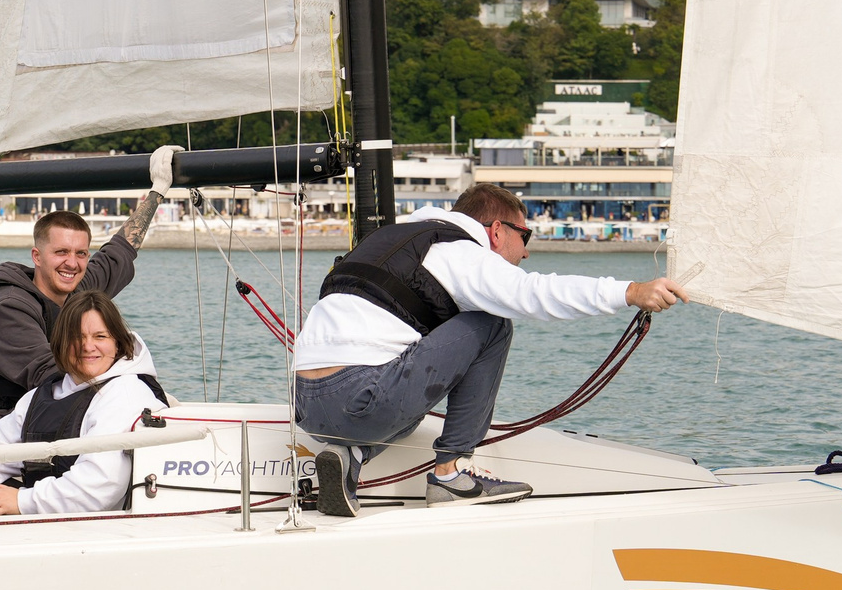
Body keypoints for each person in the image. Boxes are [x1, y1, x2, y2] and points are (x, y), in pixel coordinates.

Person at [292, 186, 686, 515]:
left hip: (307, 406)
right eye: (524, 237)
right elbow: (534, 293)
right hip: (365, 398)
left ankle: (351, 458)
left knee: (412, 356)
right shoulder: (460, 253)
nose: (526, 253)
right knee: (492, 321)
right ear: (497, 230)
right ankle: (450, 474)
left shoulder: (390, 239)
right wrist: (630, 292)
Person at [0, 160, 174, 446]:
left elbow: (119, 252)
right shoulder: (8, 307)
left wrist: (158, 191)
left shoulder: (76, 290)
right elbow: (52, 373)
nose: (72, 263)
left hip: (37, 427)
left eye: (81, 254)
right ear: (37, 256)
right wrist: (134, 387)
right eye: (61, 252)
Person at [0, 290, 169, 517]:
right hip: (50, 515)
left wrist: (21, 501)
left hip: (91, 523)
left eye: (100, 336)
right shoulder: (49, 392)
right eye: (77, 337)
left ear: (117, 342)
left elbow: (100, 485)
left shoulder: (125, 393)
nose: (88, 346)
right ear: (61, 342)